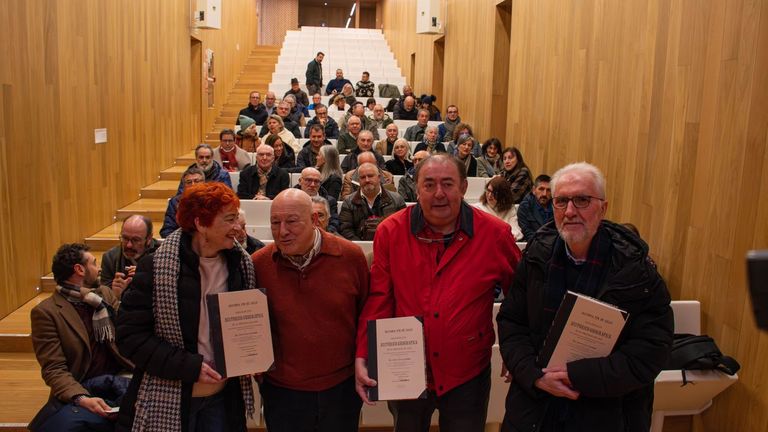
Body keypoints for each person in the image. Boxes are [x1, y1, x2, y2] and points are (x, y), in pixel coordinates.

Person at [496, 162, 673, 432]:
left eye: (582, 200)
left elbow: (651, 350)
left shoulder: (637, 271)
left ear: (603, 208)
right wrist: (534, 376)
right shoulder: (535, 257)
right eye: (561, 201)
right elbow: (511, 323)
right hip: (535, 409)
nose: (570, 211)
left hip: (609, 413)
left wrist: (578, 377)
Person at [354, 154, 521, 431]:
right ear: (416, 189)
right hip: (404, 367)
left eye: (448, 184)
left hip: (467, 370)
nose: (439, 193)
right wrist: (364, 352)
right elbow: (379, 298)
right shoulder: (390, 232)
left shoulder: (495, 234)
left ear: (464, 187)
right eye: (429, 184)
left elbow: (519, 299)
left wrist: (513, 351)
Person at [116, 183, 258, 431]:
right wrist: (189, 367)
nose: (238, 228)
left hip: (224, 400)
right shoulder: (157, 267)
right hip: (171, 398)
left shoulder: (241, 265)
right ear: (201, 224)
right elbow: (130, 338)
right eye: (229, 219)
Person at [252, 189, 369, 432]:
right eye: (275, 223)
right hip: (282, 392)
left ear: (315, 220)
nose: (282, 231)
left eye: (292, 222)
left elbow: (365, 316)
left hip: (341, 389)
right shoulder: (259, 264)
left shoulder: (350, 256)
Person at [29, 243, 133, 432]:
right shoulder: (46, 313)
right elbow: (54, 369)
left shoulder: (104, 295)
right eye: (94, 263)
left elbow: (130, 331)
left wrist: (125, 296)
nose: (99, 268)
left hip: (120, 379)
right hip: (83, 386)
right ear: (79, 269)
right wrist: (82, 398)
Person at [339, 162, 406, 241]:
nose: (367, 180)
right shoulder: (348, 202)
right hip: (360, 249)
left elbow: (403, 227)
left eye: (370, 176)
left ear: (379, 177)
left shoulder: (397, 200)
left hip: (390, 247)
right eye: (363, 177)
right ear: (358, 180)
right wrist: (362, 247)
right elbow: (345, 230)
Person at [101, 215, 160, 297]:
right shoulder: (110, 258)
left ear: (149, 239)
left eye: (135, 240)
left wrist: (145, 278)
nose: (129, 245)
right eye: (125, 238)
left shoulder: (162, 256)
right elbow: (105, 297)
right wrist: (114, 293)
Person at [161, 166, 205, 238]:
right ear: (184, 186)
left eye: (197, 181)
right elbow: (167, 230)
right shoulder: (175, 202)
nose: (193, 185)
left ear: (204, 183)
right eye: (189, 182)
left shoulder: (211, 200)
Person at [295, 167, 340, 233]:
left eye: (316, 181)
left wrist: (321, 235)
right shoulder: (290, 200)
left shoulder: (330, 201)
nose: (312, 185)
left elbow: (334, 224)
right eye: (308, 180)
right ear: (300, 181)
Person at [517, 174, 553, 242]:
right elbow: (527, 232)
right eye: (541, 189)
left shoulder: (556, 206)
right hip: (534, 246)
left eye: (548, 190)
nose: (544, 194)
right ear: (534, 190)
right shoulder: (525, 206)